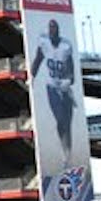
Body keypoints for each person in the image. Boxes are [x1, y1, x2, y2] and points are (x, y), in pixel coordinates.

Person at [28, 17, 77, 168]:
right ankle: (64, 153)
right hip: (52, 87)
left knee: (68, 122)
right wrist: (32, 76)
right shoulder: (44, 43)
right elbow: (37, 60)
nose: (52, 32)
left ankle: (67, 153)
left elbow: (72, 71)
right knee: (61, 119)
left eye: (55, 29)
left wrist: (68, 81)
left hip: (64, 87)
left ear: (58, 31)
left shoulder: (65, 46)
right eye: (50, 29)